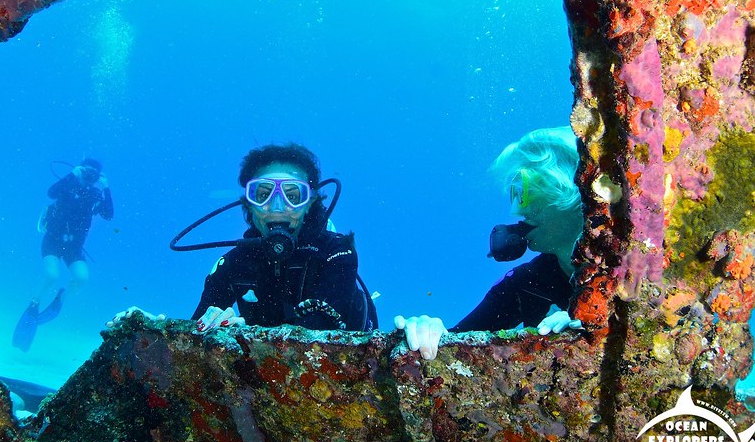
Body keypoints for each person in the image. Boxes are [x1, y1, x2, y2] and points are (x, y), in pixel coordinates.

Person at [109, 143, 446, 360]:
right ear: (248, 203)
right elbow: (198, 329)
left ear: (311, 202)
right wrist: (166, 332)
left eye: (294, 195)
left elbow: (314, 336)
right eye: (264, 193)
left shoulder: (336, 252)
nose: (278, 207)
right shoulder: (232, 263)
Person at [450, 126, 585, 334]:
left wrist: (595, 321)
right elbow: (456, 340)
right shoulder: (527, 283)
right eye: (516, 192)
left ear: (573, 190)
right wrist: (427, 332)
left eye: (528, 190)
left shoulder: (638, 265)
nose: (519, 211)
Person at [12, 158, 114, 351]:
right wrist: (72, 176)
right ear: (80, 170)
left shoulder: (95, 195)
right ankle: (34, 303)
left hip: (74, 247)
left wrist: (106, 187)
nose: (88, 176)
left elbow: (109, 214)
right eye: (86, 171)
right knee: (52, 275)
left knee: (82, 278)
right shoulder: (68, 185)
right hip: (52, 241)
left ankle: (59, 301)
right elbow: (51, 193)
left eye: (93, 174)